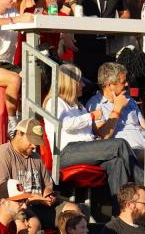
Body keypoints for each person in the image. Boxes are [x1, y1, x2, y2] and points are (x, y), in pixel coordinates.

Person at [45, 63, 137, 195]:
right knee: (120, 144)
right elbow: (66, 124)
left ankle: (120, 211)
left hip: (83, 150)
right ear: (70, 83)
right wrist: (91, 116)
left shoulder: (79, 106)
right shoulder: (54, 102)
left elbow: (92, 131)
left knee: (116, 163)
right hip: (66, 153)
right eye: (79, 81)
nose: (83, 85)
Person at [0, 117, 56, 234]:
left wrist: (48, 195)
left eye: (37, 142)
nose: (34, 146)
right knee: (33, 224)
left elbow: (47, 184)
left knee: (72, 213)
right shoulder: (2, 154)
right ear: (19, 134)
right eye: (31, 140)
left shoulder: (36, 157)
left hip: (40, 205)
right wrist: (32, 198)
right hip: (17, 205)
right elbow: (1, 191)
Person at [86, 61, 145, 156]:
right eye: (123, 82)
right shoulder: (95, 105)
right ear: (109, 85)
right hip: (128, 152)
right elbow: (103, 135)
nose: (127, 84)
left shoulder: (129, 99)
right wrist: (117, 108)